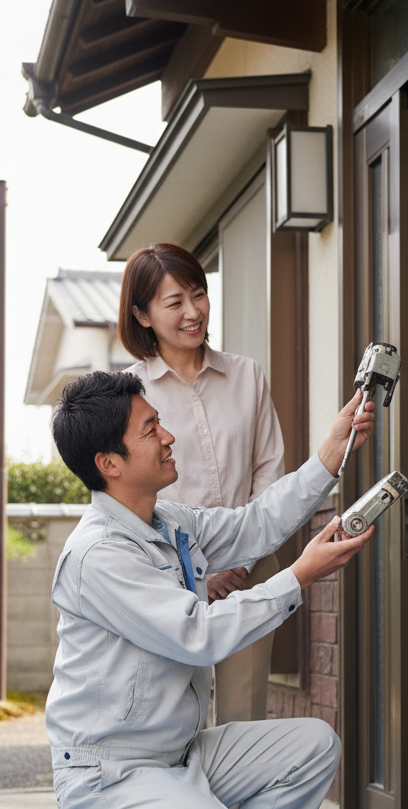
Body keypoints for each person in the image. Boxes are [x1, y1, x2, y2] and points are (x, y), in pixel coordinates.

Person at [32, 370, 376, 809]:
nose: (168, 437)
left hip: (176, 757)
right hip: (110, 774)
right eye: (150, 429)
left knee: (313, 744)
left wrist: (329, 455)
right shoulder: (98, 555)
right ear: (109, 462)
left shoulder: (168, 525)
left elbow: (255, 524)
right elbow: (198, 635)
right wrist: (301, 576)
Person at [121, 242, 284, 724]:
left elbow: (269, 470)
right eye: (174, 303)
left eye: (199, 294)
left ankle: (235, 804)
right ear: (143, 315)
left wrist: (238, 560)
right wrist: (198, 571)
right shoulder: (127, 392)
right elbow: (131, 493)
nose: (193, 312)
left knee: (242, 716)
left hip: (249, 574)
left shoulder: (247, 376)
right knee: (169, 718)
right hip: (165, 579)